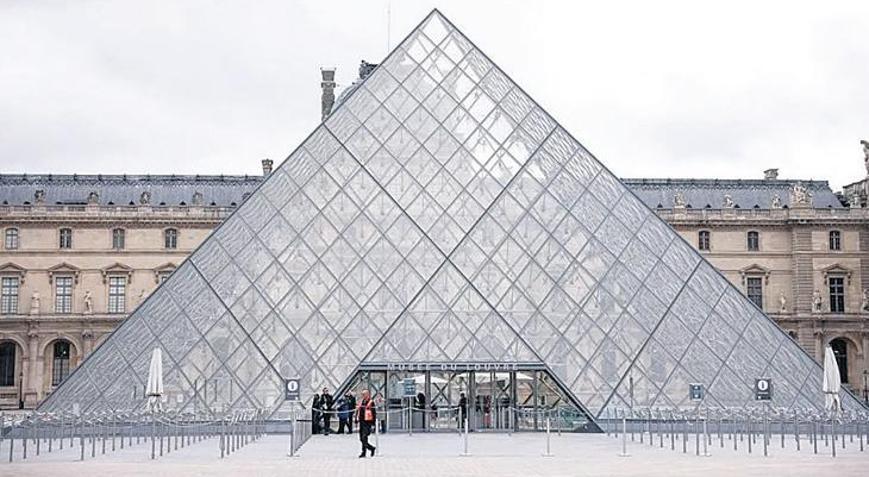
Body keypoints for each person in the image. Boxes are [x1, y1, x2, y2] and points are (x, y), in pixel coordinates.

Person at [356, 389, 376, 458]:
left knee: (364, 437)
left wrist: (373, 424)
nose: (363, 396)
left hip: (367, 422)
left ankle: (368, 450)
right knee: (361, 438)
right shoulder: (361, 402)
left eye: (364, 394)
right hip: (361, 421)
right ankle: (368, 450)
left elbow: (373, 413)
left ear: (368, 395)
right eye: (362, 394)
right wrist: (356, 419)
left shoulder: (371, 402)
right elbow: (358, 410)